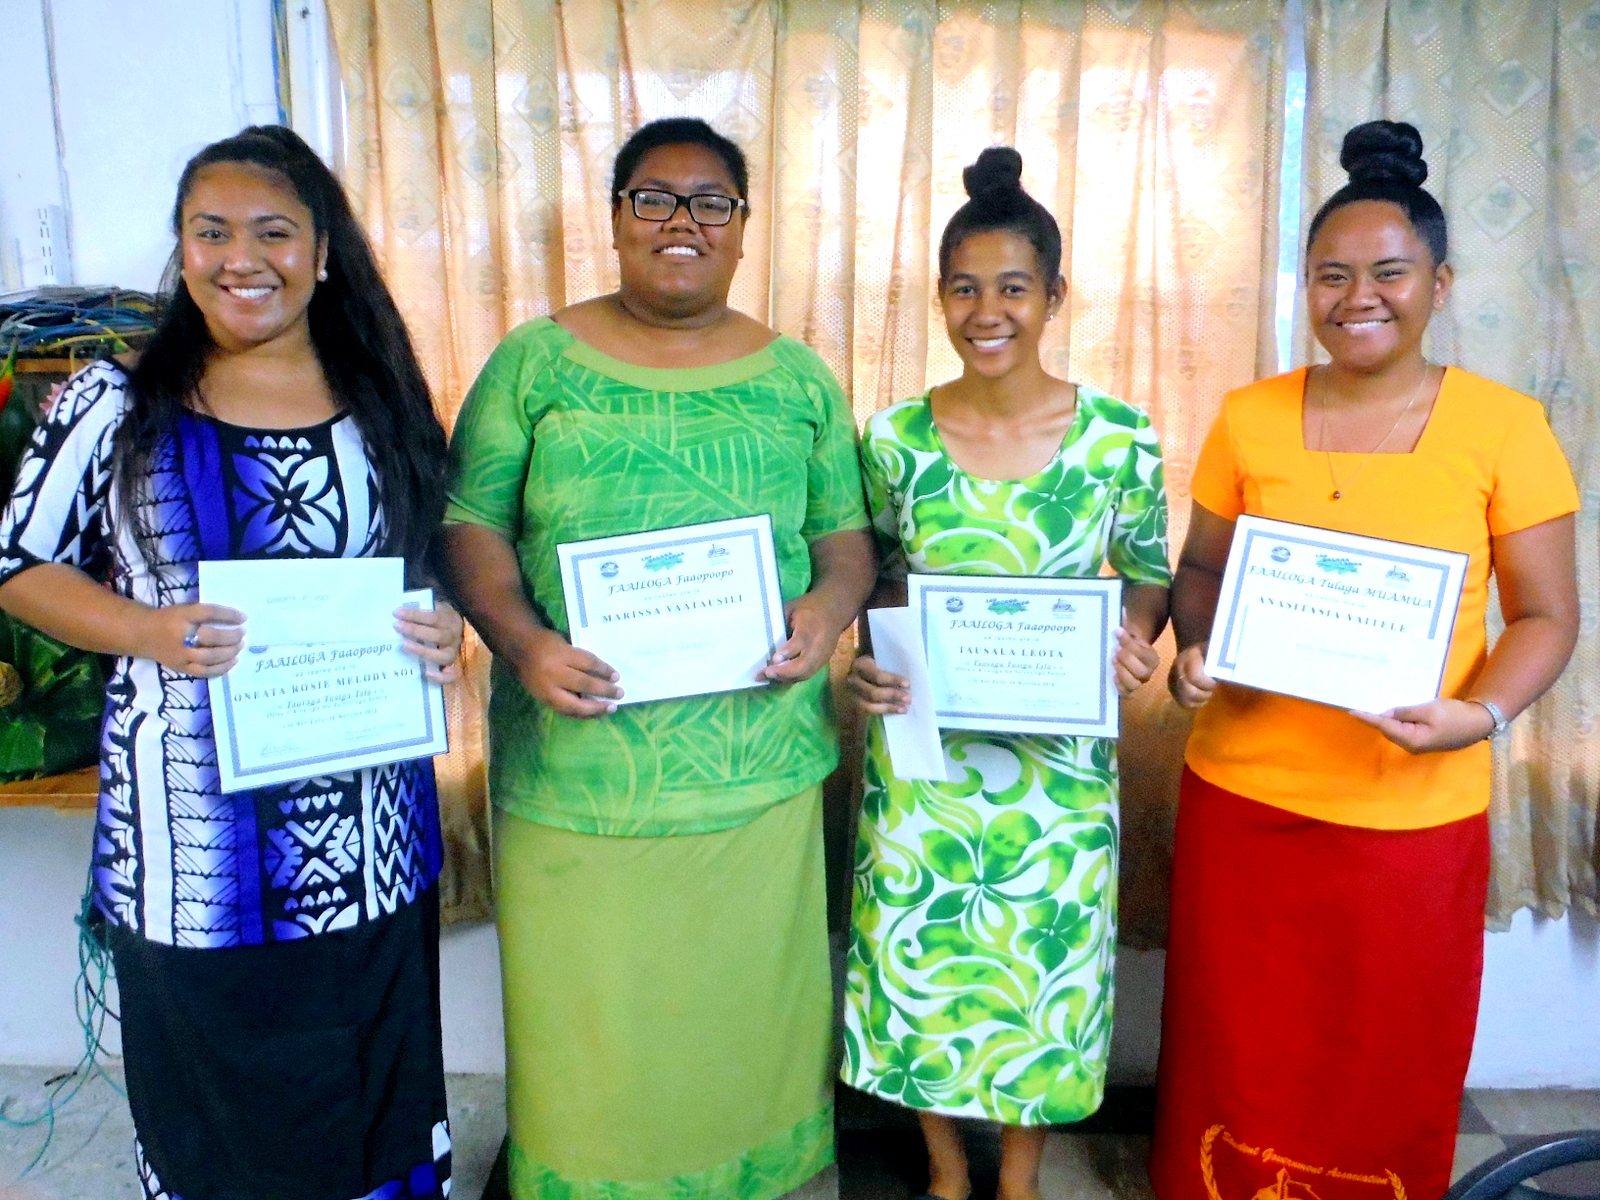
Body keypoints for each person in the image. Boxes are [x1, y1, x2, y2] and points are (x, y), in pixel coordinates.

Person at [0, 126, 463, 1200]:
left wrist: (442, 627)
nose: (241, 258)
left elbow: (420, 567)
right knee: (225, 1116)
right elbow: (18, 567)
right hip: (195, 847)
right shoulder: (117, 402)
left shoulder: (382, 403)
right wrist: (146, 630)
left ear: (323, 253)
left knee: (372, 1097)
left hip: (372, 832)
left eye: (273, 232)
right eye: (211, 232)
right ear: (182, 248)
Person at [441, 116, 875, 1200]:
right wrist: (524, 643)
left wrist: (826, 614)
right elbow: (469, 524)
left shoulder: (798, 378)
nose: (683, 221)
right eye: (654, 198)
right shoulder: (534, 363)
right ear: (616, 218)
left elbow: (845, 540)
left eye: (710, 202)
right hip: (578, 766)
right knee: (595, 1013)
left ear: (742, 228)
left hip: (755, 765)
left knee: (740, 1003)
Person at [1148, 121, 1579, 1200]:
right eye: (1331, 275)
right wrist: (1196, 647)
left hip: (1410, 811)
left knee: (1384, 1044)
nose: (1358, 297)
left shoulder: (1506, 428)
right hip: (1243, 799)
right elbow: (1201, 568)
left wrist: (1478, 717)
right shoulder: (1250, 417)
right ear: (1306, 287)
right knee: (1237, 1041)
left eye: (1389, 272)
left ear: (1440, 282)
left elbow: (1545, 618)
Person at [840, 147, 1172, 1200]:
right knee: (920, 964)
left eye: (1014, 288)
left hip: (1057, 771)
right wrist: (867, 661)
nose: (988, 312)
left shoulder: (1118, 437)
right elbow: (872, 577)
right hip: (925, 762)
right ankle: (946, 1172)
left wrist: (1135, 639)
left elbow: (1149, 575)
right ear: (940, 298)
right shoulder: (893, 439)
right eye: (964, 289)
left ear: (1055, 296)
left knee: (1043, 970)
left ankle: (1019, 1178)